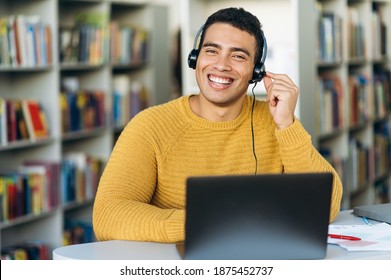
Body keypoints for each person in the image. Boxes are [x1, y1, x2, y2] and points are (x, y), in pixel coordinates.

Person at [93, 7, 343, 243]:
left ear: (256, 71)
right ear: (195, 58)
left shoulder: (277, 122)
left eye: (238, 56)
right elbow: (108, 215)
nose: (222, 65)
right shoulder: (150, 126)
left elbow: (327, 207)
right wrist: (210, 223)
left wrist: (287, 126)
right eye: (211, 51)